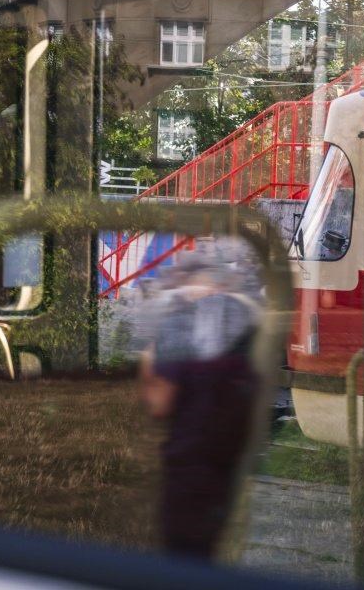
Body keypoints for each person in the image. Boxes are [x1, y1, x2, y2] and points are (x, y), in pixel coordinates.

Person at [139, 238, 263, 560]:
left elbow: (160, 404)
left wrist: (147, 363)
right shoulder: (244, 319)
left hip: (190, 459)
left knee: (184, 545)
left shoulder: (179, 325)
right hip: (229, 457)